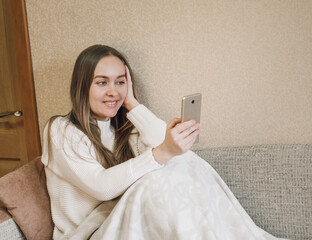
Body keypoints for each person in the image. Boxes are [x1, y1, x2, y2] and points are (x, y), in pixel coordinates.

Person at [42, 44, 282, 240]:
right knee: (154, 181)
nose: (113, 92)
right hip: (90, 234)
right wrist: (161, 153)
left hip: (126, 228)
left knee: (181, 163)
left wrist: (133, 104)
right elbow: (102, 187)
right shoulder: (61, 130)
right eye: (102, 82)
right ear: (82, 86)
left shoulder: (123, 131)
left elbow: (179, 157)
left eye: (120, 82)